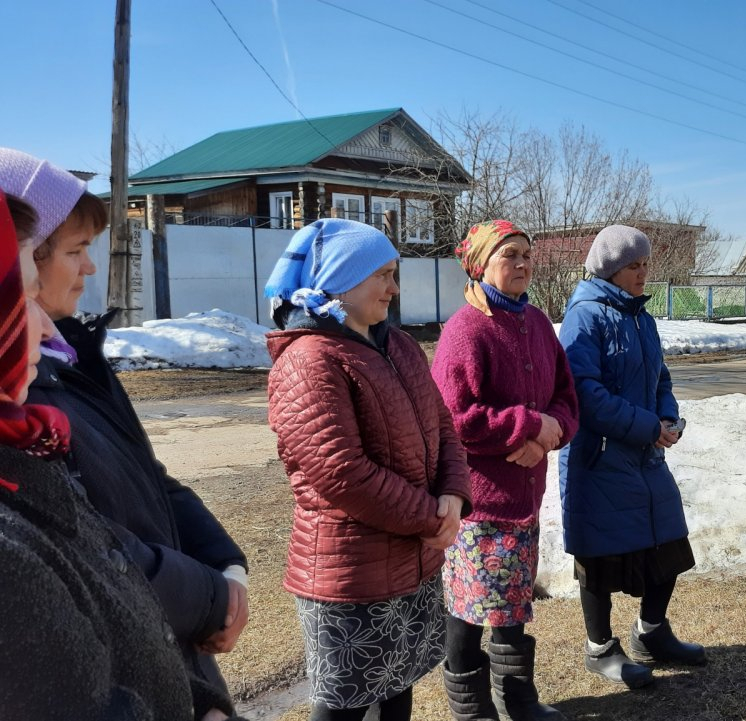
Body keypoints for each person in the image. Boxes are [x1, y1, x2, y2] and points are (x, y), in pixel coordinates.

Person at [0, 147, 249, 701]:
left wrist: (227, 565)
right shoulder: (21, 401)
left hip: (169, 647)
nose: (91, 266)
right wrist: (209, 600)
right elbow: (95, 559)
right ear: (24, 262)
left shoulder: (74, 358)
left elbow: (149, 475)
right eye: (77, 249)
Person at [264, 217, 471, 721]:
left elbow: (442, 424)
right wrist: (431, 518)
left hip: (411, 561)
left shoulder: (395, 344)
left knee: (397, 692)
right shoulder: (309, 360)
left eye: (394, 272)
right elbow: (340, 473)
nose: (394, 288)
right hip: (350, 575)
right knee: (345, 710)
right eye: (382, 274)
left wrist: (454, 495)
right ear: (339, 278)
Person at [431, 220, 580, 721]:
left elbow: (566, 396)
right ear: (480, 265)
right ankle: (471, 710)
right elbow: (451, 418)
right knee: (469, 612)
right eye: (508, 254)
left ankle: (518, 700)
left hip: (524, 498)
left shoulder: (537, 322)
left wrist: (549, 432)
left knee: (514, 603)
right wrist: (526, 425)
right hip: (478, 504)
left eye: (526, 255)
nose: (521, 264)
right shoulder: (464, 330)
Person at [558, 224, 707, 690]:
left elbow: (660, 377)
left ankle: (651, 633)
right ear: (610, 269)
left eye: (646, 265)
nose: (644, 274)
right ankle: (599, 648)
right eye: (634, 266)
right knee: (600, 555)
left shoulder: (642, 317)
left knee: (668, 542)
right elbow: (584, 393)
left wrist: (668, 416)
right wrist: (648, 429)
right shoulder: (585, 317)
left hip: (644, 456)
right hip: (599, 459)